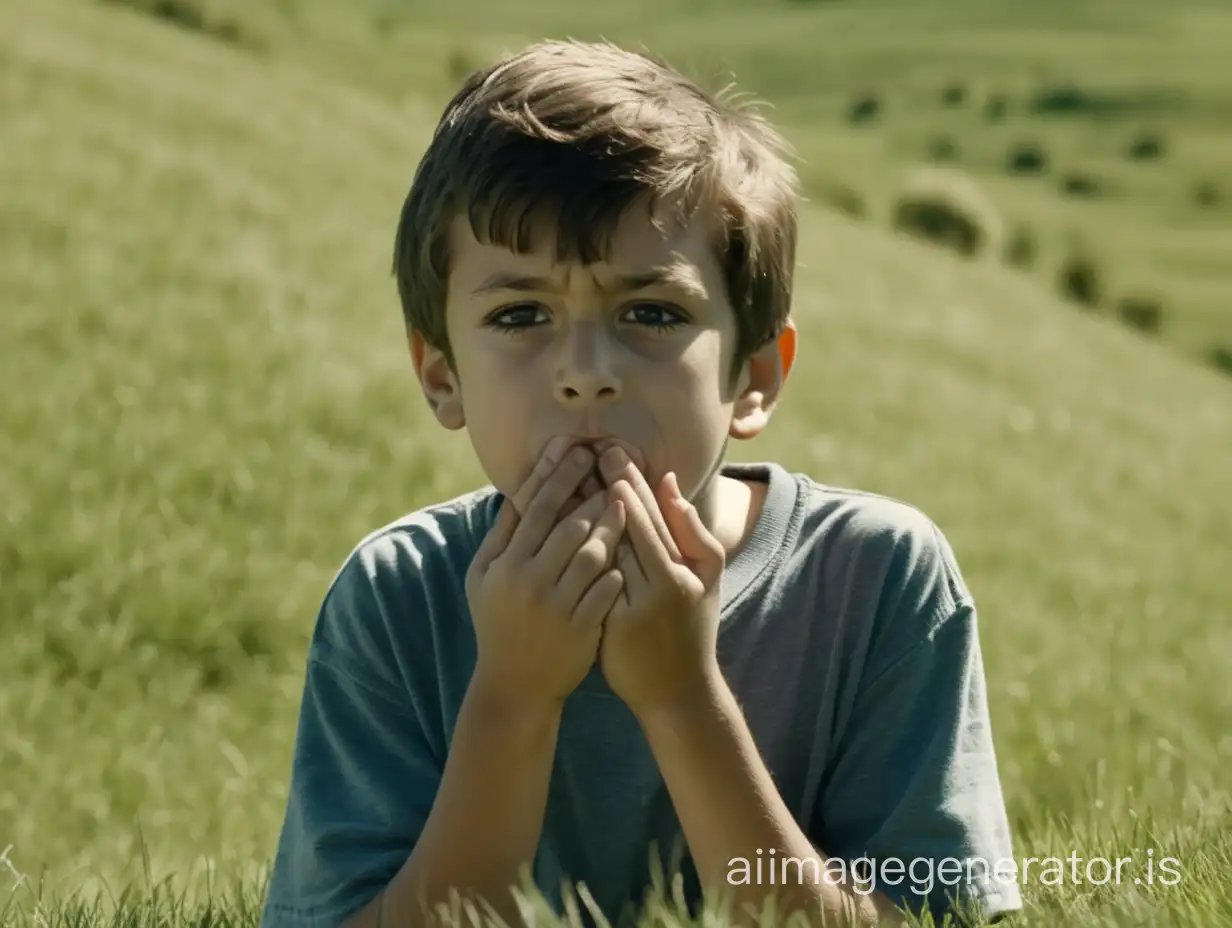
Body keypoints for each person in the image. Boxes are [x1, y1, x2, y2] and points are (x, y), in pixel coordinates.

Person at [259, 38, 1023, 928]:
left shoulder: (877, 579)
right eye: (520, 315)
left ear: (756, 374)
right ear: (441, 377)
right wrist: (512, 695)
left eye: (651, 312)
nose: (586, 372)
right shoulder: (395, 598)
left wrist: (682, 698)